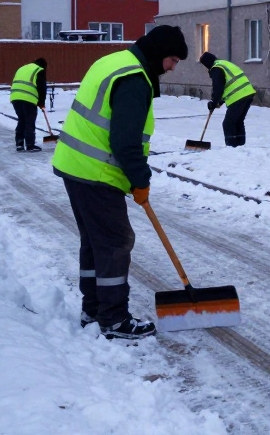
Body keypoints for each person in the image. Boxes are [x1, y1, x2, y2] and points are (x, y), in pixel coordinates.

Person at [51, 25, 188, 340]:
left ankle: (94, 310)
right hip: (96, 172)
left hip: (75, 166)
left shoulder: (113, 62)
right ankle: (113, 319)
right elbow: (125, 143)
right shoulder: (134, 80)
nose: (172, 67)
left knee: (95, 242)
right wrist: (140, 181)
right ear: (159, 54)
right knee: (115, 242)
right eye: (172, 59)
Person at [198, 51, 255, 147]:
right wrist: (219, 102)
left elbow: (218, 87)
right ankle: (240, 147)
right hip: (247, 93)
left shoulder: (216, 68)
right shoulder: (223, 64)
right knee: (238, 121)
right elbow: (228, 85)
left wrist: (213, 102)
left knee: (228, 123)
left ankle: (231, 148)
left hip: (239, 96)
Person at [9, 58, 48, 151]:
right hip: (28, 98)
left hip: (15, 97)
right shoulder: (39, 70)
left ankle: (19, 143)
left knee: (22, 119)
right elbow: (42, 88)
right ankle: (30, 145)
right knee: (29, 121)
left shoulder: (22, 68)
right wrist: (41, 102)